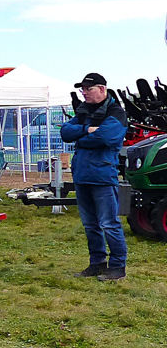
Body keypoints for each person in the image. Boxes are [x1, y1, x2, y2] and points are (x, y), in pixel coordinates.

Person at [61, 73, 129, 281]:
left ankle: (118, 266)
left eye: (88, 89)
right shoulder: (83, 112)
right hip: (82, 175)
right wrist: (87, 130)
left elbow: (107, 137)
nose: (84, 93)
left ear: (102, 89)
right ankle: (97, 263)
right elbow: (65, 132)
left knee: (109, 223)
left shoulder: (116, 113)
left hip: (102, 175)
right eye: (82, 89)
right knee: (90, 224)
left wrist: (80, 138)